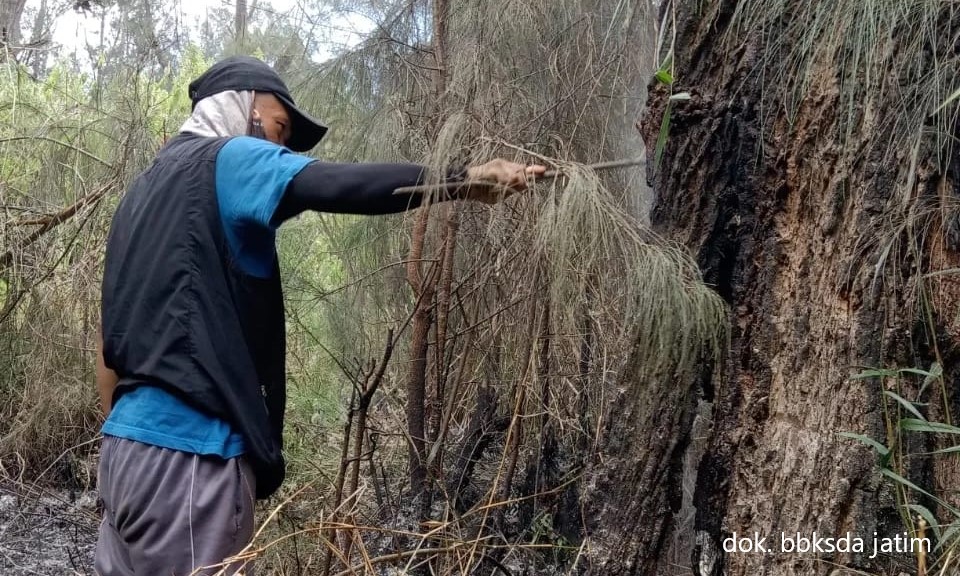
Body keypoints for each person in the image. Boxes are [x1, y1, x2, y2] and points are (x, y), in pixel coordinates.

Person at [94, 55, 545, 576]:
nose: (280, 148)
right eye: (279, 127)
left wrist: (123, 441)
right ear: (242, 106)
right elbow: (335, 184)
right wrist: (464, 180)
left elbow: (108, 346)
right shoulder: (231, 157)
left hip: (121, 454)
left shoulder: (138, 197)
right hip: (193, 460)